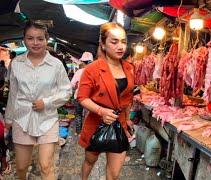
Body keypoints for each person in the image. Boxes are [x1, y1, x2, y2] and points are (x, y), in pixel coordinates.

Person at [4, 20, 72, 180]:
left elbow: (66, 91)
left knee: (46, 165)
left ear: (46, 40)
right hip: (22, 118)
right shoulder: (16, 64)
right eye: (30, 38)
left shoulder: (56, 65)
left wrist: (46, 102)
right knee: (21, 166)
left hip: (47, 119)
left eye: (40, 38)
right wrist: (8, 118)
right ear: (24, 40)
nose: (35, 43)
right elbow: (13, 93)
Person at [77, 22, 134, 180]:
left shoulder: (129, 68)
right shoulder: (92, 69)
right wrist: (101, 111)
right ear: (103, 44)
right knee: (90, 161)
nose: (120, 46)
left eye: (123, 41)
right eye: (114, 42)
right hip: (96, 123)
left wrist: (128, 118)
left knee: (114, 174)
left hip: (119, 123)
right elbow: (82, 97)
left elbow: (128, 97)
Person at [71, 52, 93, 134]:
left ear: (83, 62)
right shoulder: (93, 72)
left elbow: (72, 84)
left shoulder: (79, 72)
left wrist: (77, 86)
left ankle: (78, 132)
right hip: (89, 98)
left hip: (78, 96)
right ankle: (86, 132)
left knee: (78, 114)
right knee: (88, 115)